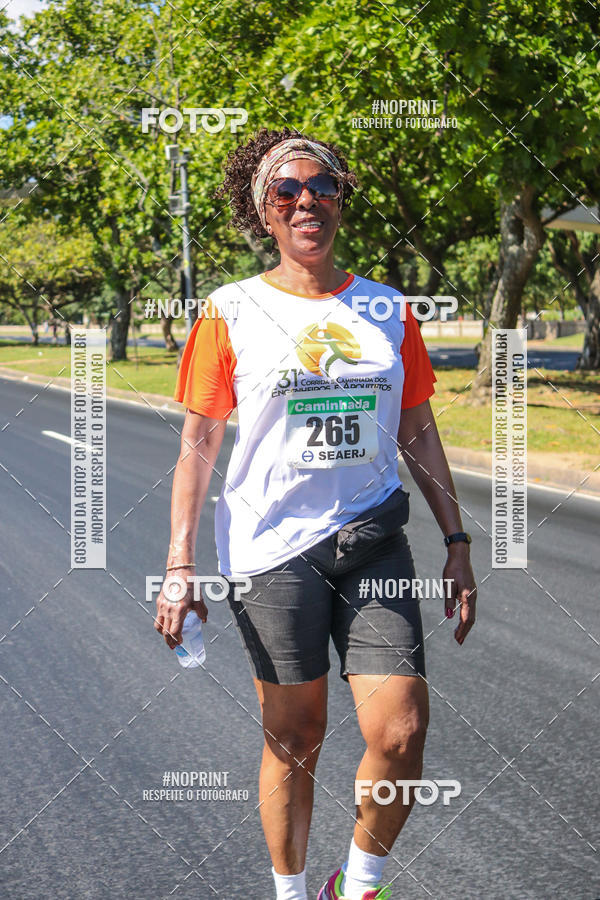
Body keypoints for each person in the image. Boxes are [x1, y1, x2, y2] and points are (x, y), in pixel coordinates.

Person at [154, 128, 477, 900]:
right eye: (287, 192)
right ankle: (291, 893)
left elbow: (418, 428)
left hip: (373, 542)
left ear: (341, 200)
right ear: (263, 212)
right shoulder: (230, 310)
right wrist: (178, 566)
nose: (307, 202)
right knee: (295, 740)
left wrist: (458, 539)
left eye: (322, 187)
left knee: (399, 733)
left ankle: (358, 886)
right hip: (273, 556)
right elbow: (198, 443)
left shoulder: (388, 309)